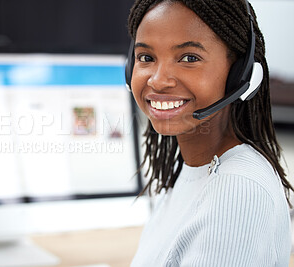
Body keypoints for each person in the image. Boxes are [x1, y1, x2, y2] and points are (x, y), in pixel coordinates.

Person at [125, 0, 293, 266]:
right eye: (146, 57)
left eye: (189, 58)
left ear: (240, 74)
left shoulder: (237, 189)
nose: (157, 80)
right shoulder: (193, 168)